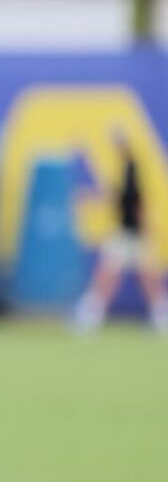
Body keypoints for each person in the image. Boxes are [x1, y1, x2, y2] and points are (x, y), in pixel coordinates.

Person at [73, 133, 168, 333]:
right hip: (127, 233)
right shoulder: (124, 170)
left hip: (132, 234)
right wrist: (92, 196)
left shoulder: (132, 169)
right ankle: (90, 316)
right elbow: (117, 197)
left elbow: (134, 202)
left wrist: (144, 228)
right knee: (117, 276)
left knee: (138, 278)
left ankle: (90, 317)